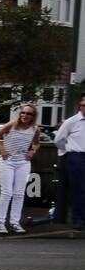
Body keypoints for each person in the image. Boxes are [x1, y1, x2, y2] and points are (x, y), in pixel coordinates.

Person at [0, 105, 40, 234]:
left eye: (29, 114)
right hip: (8, 161)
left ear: (33, 117)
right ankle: (0, 222)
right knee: (7, 192)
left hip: (23, 162)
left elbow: (36, 143)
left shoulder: (35, 129)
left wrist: (32, 151)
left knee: (19, 193)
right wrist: (2, 149)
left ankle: (14, 222)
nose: (25, 115)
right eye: (23, 112)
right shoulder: (11, 125)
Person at [55, 95, 85, 229]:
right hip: (76, 156)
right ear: (80, 106)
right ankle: (78, 219)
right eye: (84, 105)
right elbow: (58, 140)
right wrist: (66, 151)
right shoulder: (71, 122)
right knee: (78, 188)